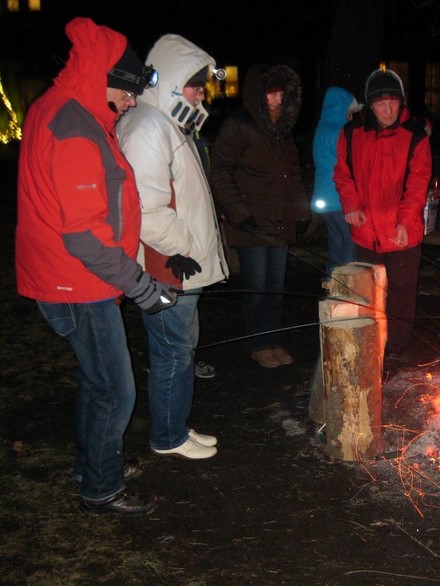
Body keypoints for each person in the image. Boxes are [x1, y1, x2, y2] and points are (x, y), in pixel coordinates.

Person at [15, 17, 175, 516]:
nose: (130, 102)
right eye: (127, 92)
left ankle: (92, 466)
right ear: (104, 79)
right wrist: (142, 286)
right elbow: (84, 236)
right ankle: (102, 488)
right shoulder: (74, 127)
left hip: (72, 277)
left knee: (95, 379)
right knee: (115, 389)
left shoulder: (69, 111)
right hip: (76, 282)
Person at [117, 35, 229, 459]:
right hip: (169, 264)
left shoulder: (166, 123)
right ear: (170, 82)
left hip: (184, 262)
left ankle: (175, 425)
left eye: (201, 86)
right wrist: (186, 244)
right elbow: (146, 207)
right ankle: (168, 437)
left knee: (181, 350)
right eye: (193, 85)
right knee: (171, 353)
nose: (200, 94)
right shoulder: (148, 126)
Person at [211, 64, 310, 369]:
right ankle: (259, 343)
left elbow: (293, 174)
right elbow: (220, 171)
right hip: (250, 225)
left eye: (282, 94)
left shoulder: (284, 130)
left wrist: (300, 212)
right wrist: (239, 212)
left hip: (278, 223)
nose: (277, 100)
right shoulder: (239, 126)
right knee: (257, 287)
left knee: (276, 286)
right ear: (259, 95)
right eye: (272, 94)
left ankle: (274, 340)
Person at [333, 68, 432, 354]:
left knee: (401, 294)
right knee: (370, 293)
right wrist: (350, 206)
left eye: (393, 102)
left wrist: (405, 220)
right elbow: (342, 174)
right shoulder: (352, 133)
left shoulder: (415, 135)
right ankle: (371, 346)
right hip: (366, 232)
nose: (387, 109)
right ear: (369, 104)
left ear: (401, 102)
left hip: (403, 231)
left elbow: (418, 183)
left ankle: (397, 348)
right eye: (380, 103)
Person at [311, 87, 361, 280]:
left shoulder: (322, 128)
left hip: (325, 196)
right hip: (339, 196)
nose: (351, 117)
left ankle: (331, 281)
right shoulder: (339, 133)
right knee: (348, 242)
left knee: (335, 241)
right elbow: (351, 161)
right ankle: (345, 285)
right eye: (349, 112)